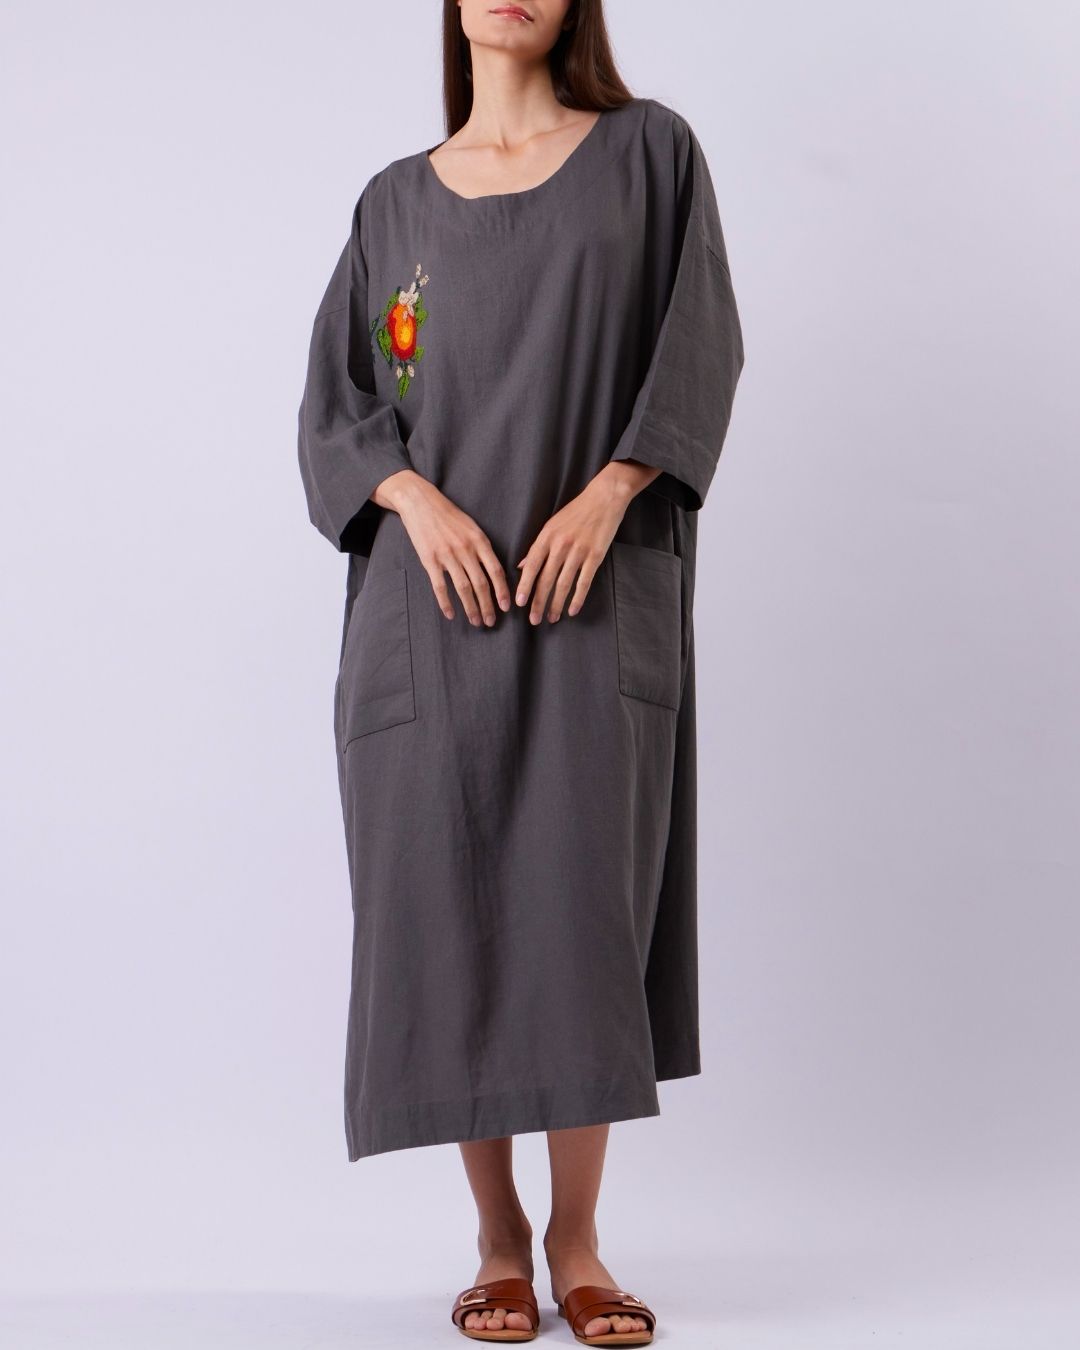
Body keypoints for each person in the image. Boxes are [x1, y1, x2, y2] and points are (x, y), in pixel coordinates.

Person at [296, 0, 744, 1342]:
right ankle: (496, 1239)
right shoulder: (393, 203)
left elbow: (700, 343)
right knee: (449, 911)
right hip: (428, 618)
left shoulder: (650, 155)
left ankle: (578, 1239)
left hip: (588, 604)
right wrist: (411, 500)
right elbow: (338, 404)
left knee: (578, 912)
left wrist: (612, 491)